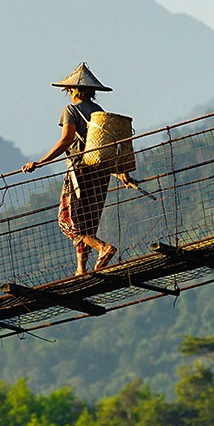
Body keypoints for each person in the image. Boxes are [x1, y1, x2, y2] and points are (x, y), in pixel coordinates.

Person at [22, 63, 129, 275]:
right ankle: (81, 269)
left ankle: (103, 248)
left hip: (80, 171)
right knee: (87, 220)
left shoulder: (71, 110)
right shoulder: (99, 112)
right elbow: (102, 148)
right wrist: (120, 173)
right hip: (100, 174)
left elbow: (66, 140)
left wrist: (40, 162)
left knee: (68, 221)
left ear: (73, 90)